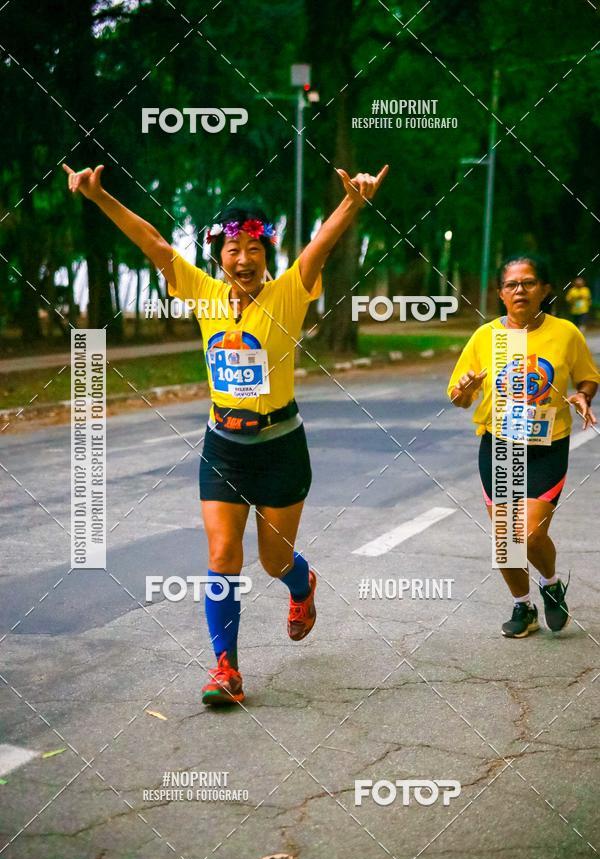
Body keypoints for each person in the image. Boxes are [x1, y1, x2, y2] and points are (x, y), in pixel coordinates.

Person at [63, 160, 389, 703]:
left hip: (280, 448)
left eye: (254, 249)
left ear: (266, 256)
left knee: (274, 560)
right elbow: (154, 243)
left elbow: (321, 245)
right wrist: (99, 197)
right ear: (219, 256)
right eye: (233, 250)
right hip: (223, 448)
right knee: (222, 556)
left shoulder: (289, 293)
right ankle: (226, 669)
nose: (243, 259)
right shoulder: (204, 294)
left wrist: (353, 202)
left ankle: (301, 583)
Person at [448, 254, 599, 638]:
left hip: (547, 447)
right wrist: (464, 390)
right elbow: (459, 397)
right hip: (499, 445)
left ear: (544, 289)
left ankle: (550, 584)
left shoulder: (565, 333)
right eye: (511, 284)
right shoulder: (485, 337)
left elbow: (587, 376)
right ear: (501, 294)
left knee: (528, 534)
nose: (520, 290)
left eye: (528, 283)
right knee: (506, 542)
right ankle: (523, 607)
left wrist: (584, 395)